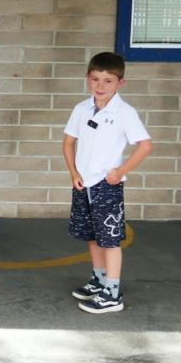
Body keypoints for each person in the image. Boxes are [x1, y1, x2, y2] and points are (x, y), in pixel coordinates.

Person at [62, 51, 153, 314]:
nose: (100, 86)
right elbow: (69, 142)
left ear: (120, 83)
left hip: (106, 185)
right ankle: (100, 279)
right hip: (84, 183)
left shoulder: (124, 113)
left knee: (109, 240)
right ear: (88, 79)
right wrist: (74, 173)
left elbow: (145, 146)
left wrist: (120, 171)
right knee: (92, 236)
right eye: (95, 79)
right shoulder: (81, 109)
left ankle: (113, 293)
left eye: (108, 81)